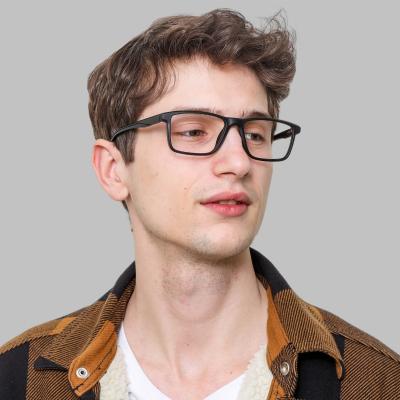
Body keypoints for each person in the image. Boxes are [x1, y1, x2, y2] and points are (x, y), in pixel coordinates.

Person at [0, 8, 399, 400]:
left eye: (255, 135)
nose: (239, 162)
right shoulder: (18, 378)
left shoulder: (378, 383)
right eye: (193, 132)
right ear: (113, 170)